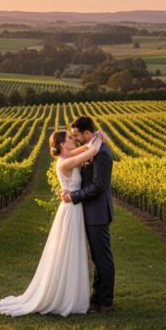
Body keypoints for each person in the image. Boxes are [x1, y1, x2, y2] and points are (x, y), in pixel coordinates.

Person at [0, 127, 105, 317]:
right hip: (71, 211)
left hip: (73, 208)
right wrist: (99, 138)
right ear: (62, 144)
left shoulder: (67, 157)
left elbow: (85, 148)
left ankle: (73, 295)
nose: (73, 140)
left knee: (73, 250)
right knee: (69, 251)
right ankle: (66, 298)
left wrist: (92, 139)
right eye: (70, 138)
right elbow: (92, 151)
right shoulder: (64, 163)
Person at [61, 116, 115, 313]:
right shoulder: (93, 146)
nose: (75, 139)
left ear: (87, 133)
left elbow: (99, 186)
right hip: (91, 211)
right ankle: (98, 294)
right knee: (97, 258)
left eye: (77, 135)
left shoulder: (101, 153)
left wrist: (74, 196)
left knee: (103, 258)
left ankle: (106, 302)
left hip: (97, 213)